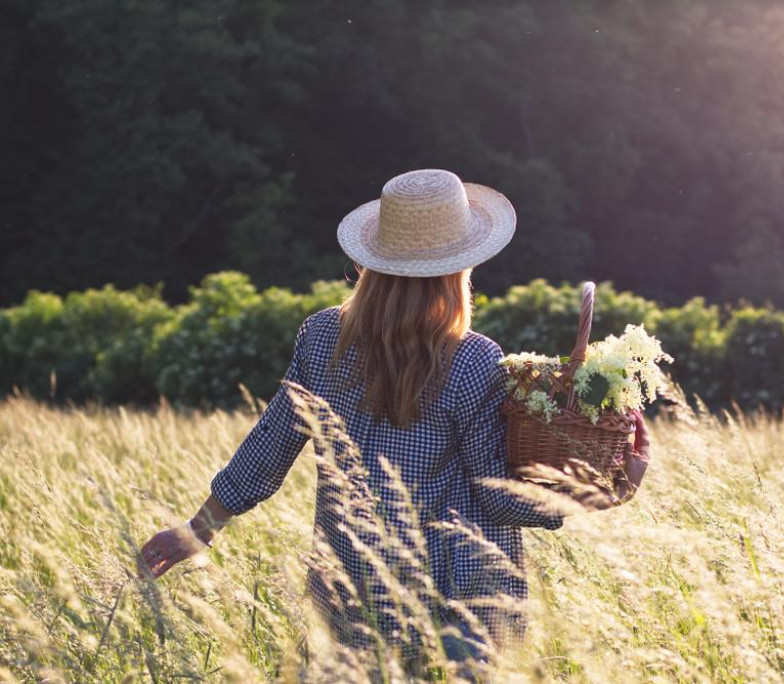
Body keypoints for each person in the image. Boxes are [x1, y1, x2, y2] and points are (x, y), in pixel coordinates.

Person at [140, 169, 651, 674]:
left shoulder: (322, 338)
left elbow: (269, 448)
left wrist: (199, 530)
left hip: (349, 590)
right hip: (456, 604)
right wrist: (607, 489)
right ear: (459, 269)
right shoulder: (473, 361)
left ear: (373, 262)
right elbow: (495, 495)